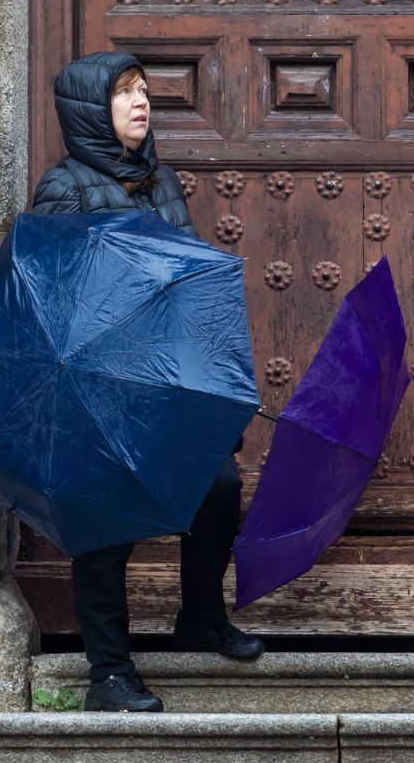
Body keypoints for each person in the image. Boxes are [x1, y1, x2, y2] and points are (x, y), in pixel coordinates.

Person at [31, 51, 266, 714]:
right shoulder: (64, 189)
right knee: (103, 521)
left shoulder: (162, 184)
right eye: (124, 94)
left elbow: (188, 278)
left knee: (217, 486)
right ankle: (108, 672)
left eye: (144, 92)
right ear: (89, 111)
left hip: (165, 383)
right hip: (96, 391)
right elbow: (50, 295)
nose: (141, 103)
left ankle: (200, 619)